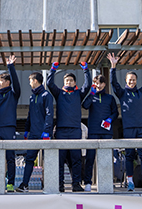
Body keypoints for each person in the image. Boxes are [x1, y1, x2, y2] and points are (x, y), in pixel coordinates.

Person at [107, 52, 142, 192]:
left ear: (136, 80)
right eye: (129, 79)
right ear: (126, 80)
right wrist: (113, 66)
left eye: (134, 79)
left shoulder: (141, 92)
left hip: (141, 128)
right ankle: (130, 182)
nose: (132, 81)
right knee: (129, 155)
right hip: (129, 128)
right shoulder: (122, 93)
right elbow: (113, 83)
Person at [47, 60, 91, 192]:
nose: (69, 82)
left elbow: (88, 85)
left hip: (75, 131)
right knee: (60, 160)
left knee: (76, 160)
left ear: (75, 83)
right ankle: (59, 185)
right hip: (61, 131)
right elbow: (49, 83)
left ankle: (76, 184)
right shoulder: (59, 93)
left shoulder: (79, 94)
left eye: (71, 80)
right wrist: (52, 69)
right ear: (64, 83)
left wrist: (86, 70)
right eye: (67, 81)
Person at [0, 55, 21, 192]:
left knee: (10, 157)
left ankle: (10, 183)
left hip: (9, 128)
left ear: (7, 82)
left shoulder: (14, 94)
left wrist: (10, 67)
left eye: (0, 81)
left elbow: (16, 83)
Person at [15, 72, 53, 192]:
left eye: (30, 80)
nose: (29, 83)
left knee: (49, 159)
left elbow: (49, 114)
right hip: (33, 134)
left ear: (35, 81)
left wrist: (46, 131)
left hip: (44, 134)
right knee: (30, 159)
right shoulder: (32, 97)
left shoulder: (46, 95)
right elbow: (30, 115)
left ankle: (50, 185)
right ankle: (24, 185)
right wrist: (26, 130)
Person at [81, 75, 118, 192]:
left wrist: (110, 119)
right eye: (97, 83)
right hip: (93, 131)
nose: (99, 85)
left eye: (101, 83)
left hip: (106, 132)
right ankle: (87, 182)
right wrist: (91, 94)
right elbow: (84, 106)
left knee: (107, 158)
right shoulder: (92, 97)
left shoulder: (110, 98)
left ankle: (107, 181)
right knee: (90, 158)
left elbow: (115, 112)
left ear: (104, 84)